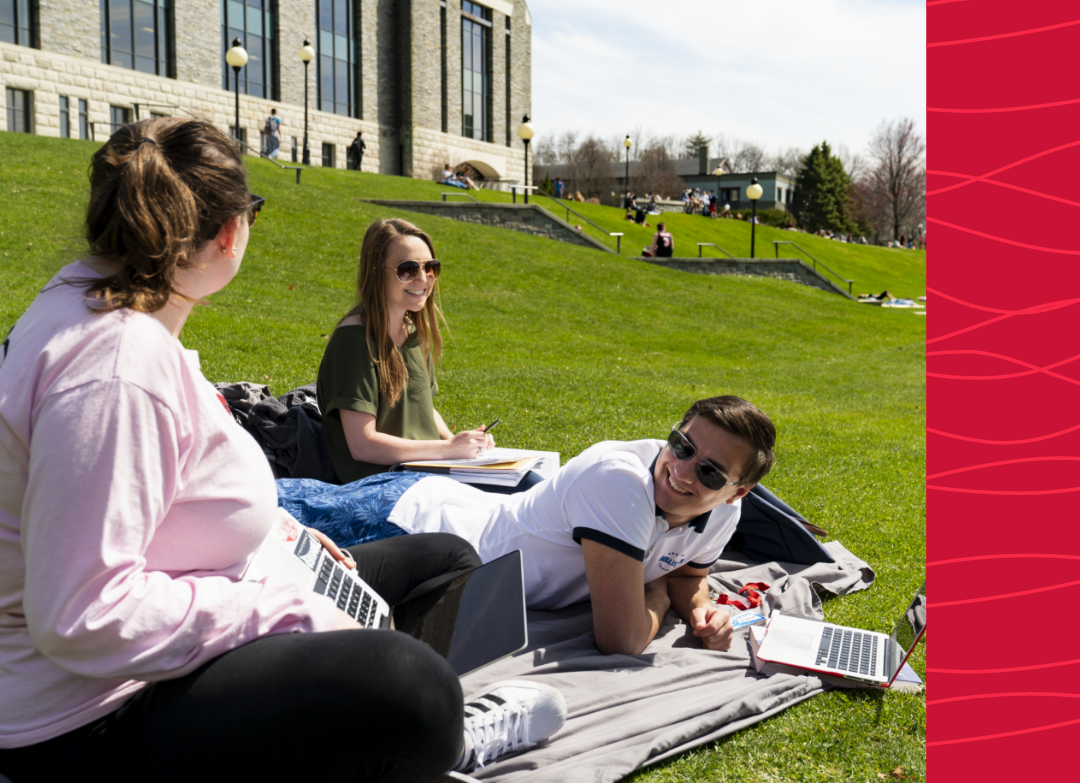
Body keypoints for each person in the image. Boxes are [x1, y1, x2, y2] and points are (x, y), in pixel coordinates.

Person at [0, 118, 564, 781]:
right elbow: (79, 616)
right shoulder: (118, 369)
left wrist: (279, 536)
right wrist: (283, 612)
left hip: (215, 598)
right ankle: (430, 736)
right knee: (414, 690)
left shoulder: (95, 302)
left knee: (446, 559)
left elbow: (158, 494)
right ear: (232, 231)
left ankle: (370, 729)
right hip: (91, 715)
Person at [278, 395, 777, 657]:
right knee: (250, 509)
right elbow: (621, 638)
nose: (683, 470)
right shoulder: (620, 483)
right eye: (682, 445)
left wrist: (702, 612)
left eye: (710, 471)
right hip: (406, 525)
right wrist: (659, 597)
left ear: (738, 492)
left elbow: (690, 575)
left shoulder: (723, 513)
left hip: (448, 526)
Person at [317, 218, 495, 485]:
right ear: (377, 272)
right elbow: (362, 444)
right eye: (407, 269)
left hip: (428, 472)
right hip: (380, 486)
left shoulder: (414, 333)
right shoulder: (354, 341)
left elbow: (423, 409)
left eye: (430, 267)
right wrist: (447, 450)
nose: (423, 278)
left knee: (530, 485)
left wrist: (463, 442)